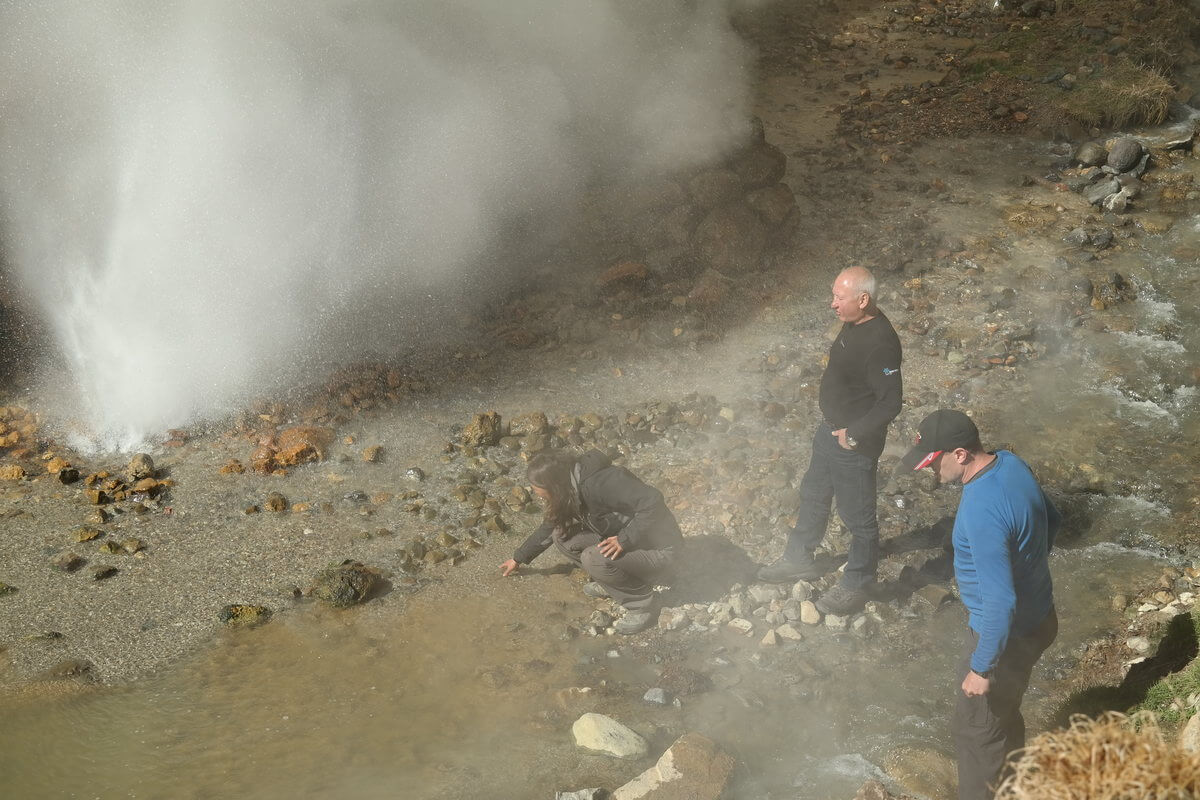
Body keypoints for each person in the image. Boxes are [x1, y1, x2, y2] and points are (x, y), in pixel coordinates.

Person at [902, 409, 1058, 800]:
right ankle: (1017, 785)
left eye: (932, 463)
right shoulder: (1011, 463)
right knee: (1004, 711)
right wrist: (1029, 560)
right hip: (1040, 619)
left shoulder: (980, 510)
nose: (929, 473)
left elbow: (1000, 602)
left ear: (959, 455)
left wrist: (982, 666)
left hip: (1005, 635)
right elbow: (1051, 518)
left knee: (976, 733)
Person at [757, 265, 902, 617]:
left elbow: (891, 402)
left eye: (839, 297)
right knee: (813, 495)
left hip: (854, 443)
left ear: (863, 299)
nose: (832, 304)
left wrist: (853, 434)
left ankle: (858, 582)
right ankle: (798, 559)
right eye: (833, 295)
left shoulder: (881, 343)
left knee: (858, 518)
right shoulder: (854, 322)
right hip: (829, 431)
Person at [499, 448, 682, 634]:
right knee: (562, 536)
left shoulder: (602, 483)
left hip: (662, 551)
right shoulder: (569, 487)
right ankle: (613, 583)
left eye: (538, 490)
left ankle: (644, 606)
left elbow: (653, 502)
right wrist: (518, 558)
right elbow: (549, 527)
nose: (536, 494)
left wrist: (624, 540)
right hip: (636, 544)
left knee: (592, 557)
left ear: (554, 485)